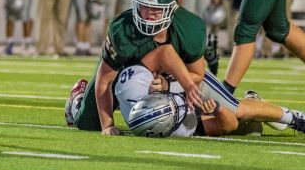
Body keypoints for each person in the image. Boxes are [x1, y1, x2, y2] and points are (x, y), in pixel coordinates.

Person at [66, 0, 207, 134]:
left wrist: (168, 84)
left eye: (156, 9)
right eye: (144, 6)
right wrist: (108, 125)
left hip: (166, 78)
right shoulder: (123, 29)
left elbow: (197, 74)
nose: (148, 15)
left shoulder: (190, 28)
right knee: (88, 123)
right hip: (122, 72)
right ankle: (78, 96)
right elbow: (104, 80)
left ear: (172, 7)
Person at [109, 64, 305, 138]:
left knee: (238, 110)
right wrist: (218, 110)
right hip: (194, 106)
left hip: (191, 78)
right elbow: (228, 125)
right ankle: (254, 104)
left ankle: (292, 117)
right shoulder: (178, 125)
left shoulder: (136, 82)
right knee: (250, 129)